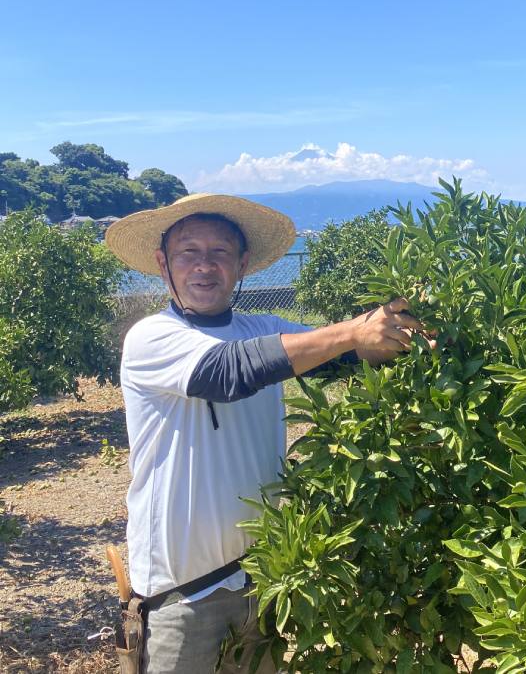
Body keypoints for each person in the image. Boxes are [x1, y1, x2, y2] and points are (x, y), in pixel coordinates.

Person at [104, 193, 430, 674]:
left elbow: (339, 358)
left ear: (242, 264)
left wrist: (403, 332)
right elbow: (229, 372)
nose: (204, 266)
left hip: (262, 578)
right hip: (181, 596)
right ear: (163, 263)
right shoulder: (151, 336)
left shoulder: (263, 328)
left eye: (220, 253)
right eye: (188, 252)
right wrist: (351, 332)